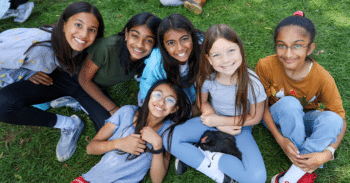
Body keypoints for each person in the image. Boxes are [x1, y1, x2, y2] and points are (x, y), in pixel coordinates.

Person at [0, 1, 104, 162]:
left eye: (92, 30)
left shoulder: (89, 47)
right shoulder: (33, 46)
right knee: (3, 105)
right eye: (78, 25)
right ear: (63, 24)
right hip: (28, 75)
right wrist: (25, 73)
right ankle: (70, 125)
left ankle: (63, 98)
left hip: (67, 77)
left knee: (108, 127)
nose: (84, 35)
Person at [255, 11, 346, 183]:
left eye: (297, 46)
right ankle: (301, 171)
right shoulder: (265, 65)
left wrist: (327, 154)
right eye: (282, 45)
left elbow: (340, 119)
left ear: (310, 48)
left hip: (304, 117)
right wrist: (280, 139)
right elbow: (261, 106)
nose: (288, 54)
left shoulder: (322, 78)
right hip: (277, 117)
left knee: (334, 120)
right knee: (289, 104)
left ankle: (290, 176)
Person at [169, 24, 267, 183]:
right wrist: (216, 121)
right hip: (212, 120)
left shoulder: (252, 83)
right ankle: (214, 165)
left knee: (257, 179)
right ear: (208, 58)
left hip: (239, 128)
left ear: (240, 50)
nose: (226, 60)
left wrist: (222, 122)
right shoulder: (206, 77)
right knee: (170, 138)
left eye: (231, 51)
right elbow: (203, 103)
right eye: (217, 55)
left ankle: (209, 153)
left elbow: (255, 118)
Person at [71, 80, 191, 183]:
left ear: (174, 109)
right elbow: (91, 148)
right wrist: (118, 143)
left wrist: (157, 144)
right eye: (158, 95)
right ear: (149, 96)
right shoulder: (127, 112)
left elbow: (157, 179)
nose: (161, 102)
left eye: (170, 100)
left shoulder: (169, 131)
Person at [78, 12, 161, 117]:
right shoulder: (106, 48)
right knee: (109, 121)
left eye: (148, 40)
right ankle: (76, 100)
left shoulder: (150, 58)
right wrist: (113, 108)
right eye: (135, 36)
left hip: (100, 88)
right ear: (126, 34)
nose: (140, 45)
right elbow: (83, 79)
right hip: (79, 82)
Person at [138, 13, 203, 112]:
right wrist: (145, 108)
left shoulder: (202, 47)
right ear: (163, 46)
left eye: (184, 39)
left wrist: (199, 102)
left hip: (187, 83)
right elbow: (147, 85)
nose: (180, 48)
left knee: (184, 110)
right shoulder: (157, 64)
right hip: (165, 85)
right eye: (171, 43)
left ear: (192, 37)